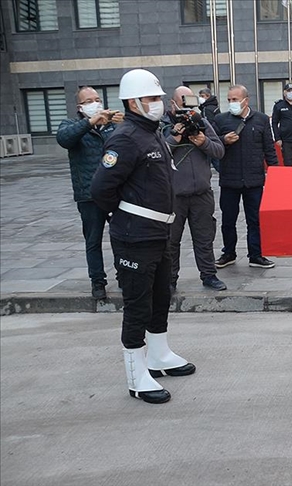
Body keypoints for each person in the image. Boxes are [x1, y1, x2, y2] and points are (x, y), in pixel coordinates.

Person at [91, 69, 196, 404]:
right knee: (137, 306)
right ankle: (137, 377)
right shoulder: (125, 138)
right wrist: (121, 218)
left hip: (158, 232)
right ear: (133, 102)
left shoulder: (152, 134)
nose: (158, 103)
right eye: (151, 98)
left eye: (158, 97)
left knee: (161, 296)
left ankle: (159, 356)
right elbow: (101, 189)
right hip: (135, 235)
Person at [56, 86, 124, 300]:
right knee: (93, 240)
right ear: (80, 107)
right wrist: (90, 122)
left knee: (121, 237)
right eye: (89, 101)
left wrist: (125, 124)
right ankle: (98, 282)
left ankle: (124, 275)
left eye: (97, 99)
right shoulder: (71, 125)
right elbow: (64, 139)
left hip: (114, 193)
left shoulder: (112, 126)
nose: (95, 103)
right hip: (88, 195)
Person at [162, 86, 227, 293]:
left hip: (201, 193)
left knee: (204, 239)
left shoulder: (202, 122)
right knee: (171, 241)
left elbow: (219, 151)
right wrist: (174, 138)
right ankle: (170, 280)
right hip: (174, 197)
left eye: (190, 101)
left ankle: (209, 275)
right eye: (182, 102)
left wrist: (204, 141)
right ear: (172, 103)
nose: (187, 107)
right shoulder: (162, 125)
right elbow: (157, 155)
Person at [213, 84, 279, 269]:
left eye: (235, 99)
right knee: (228, 219)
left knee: (255, 220)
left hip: (254, 180)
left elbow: (269, 148)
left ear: (245, 100)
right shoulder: (220, 120)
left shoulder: (261, 120)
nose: (231, 103)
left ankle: (256, 255)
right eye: (229, 100)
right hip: (229, 180)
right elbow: (210, 146)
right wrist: (223, 140)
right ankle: (229, 253)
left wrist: (275, 173)